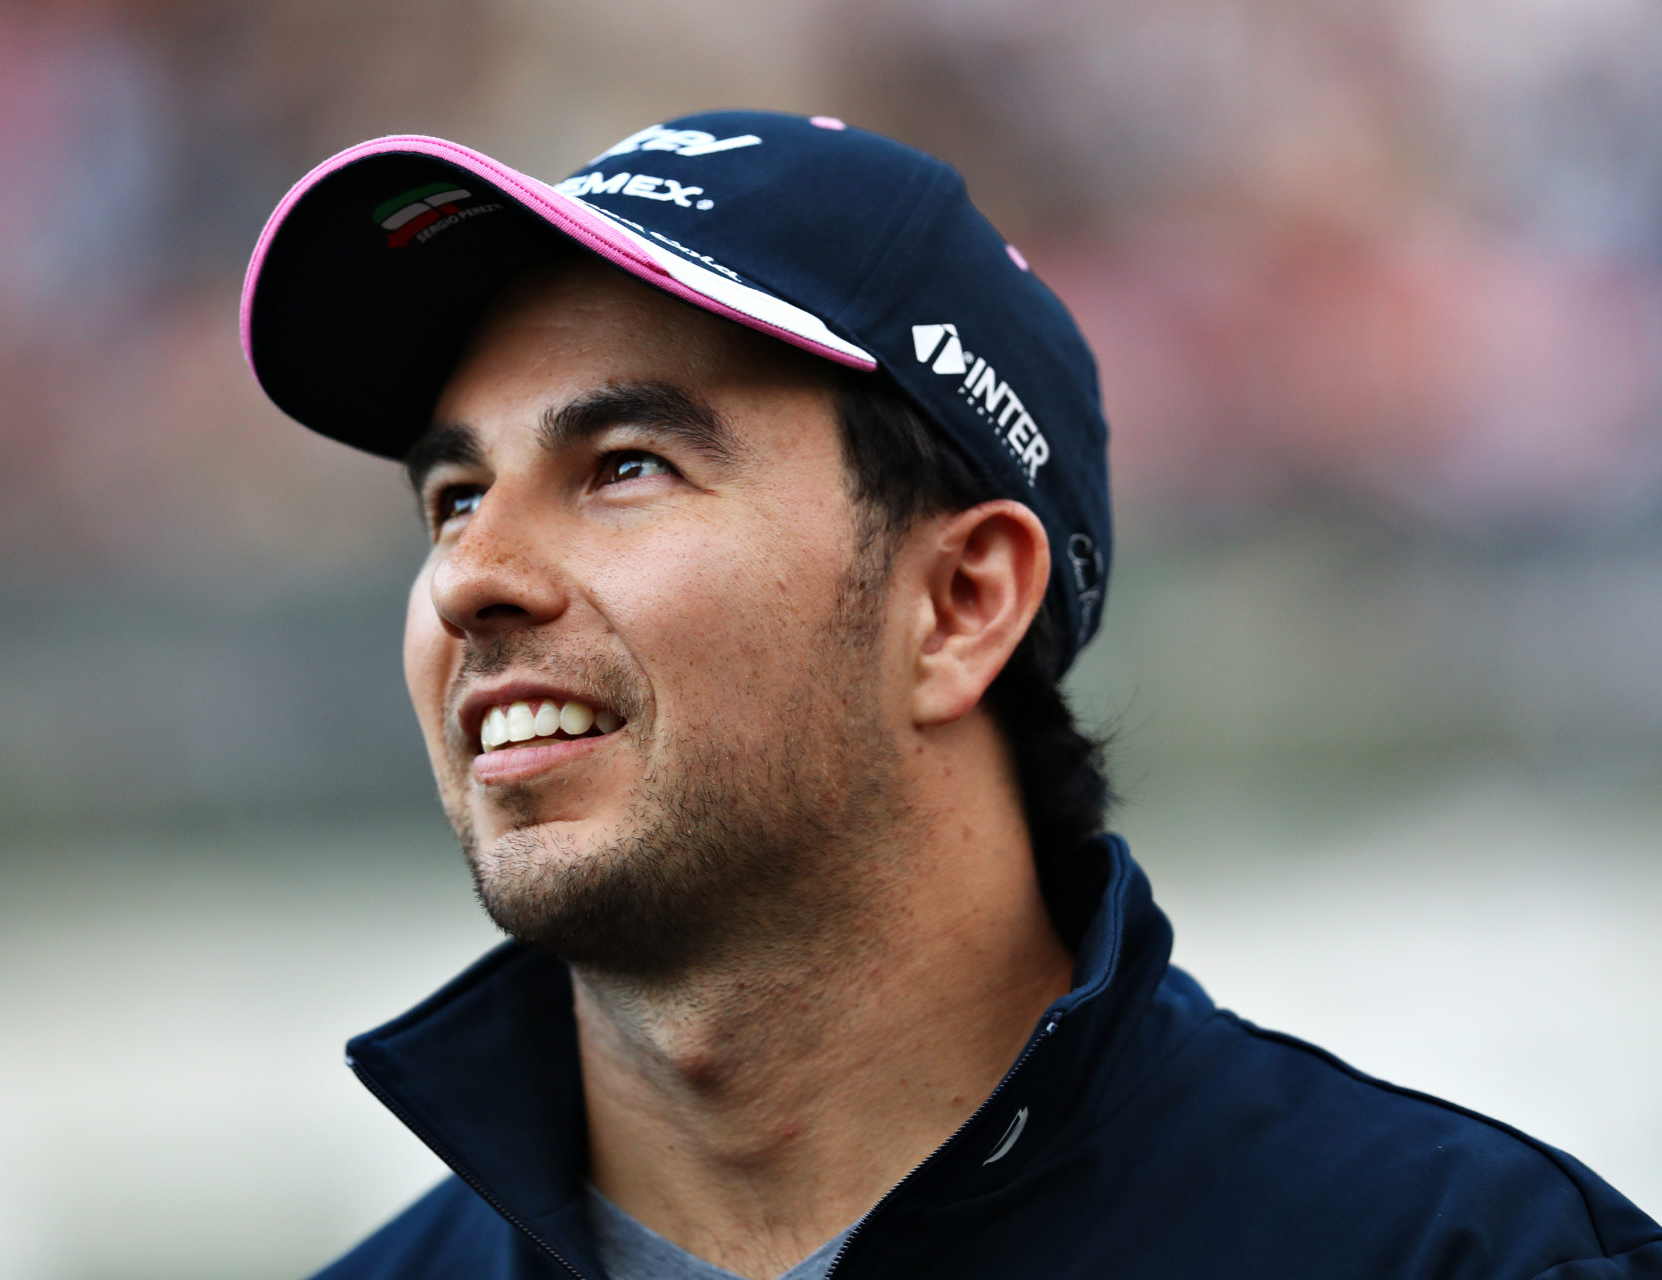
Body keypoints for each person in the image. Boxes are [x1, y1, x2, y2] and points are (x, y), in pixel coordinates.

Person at [240, 112, 1660, 1280]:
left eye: (623, 466)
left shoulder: (1464, 1258)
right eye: (453, 496)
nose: (470, 579)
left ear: (962, 603)